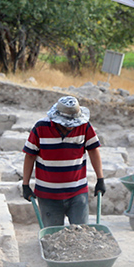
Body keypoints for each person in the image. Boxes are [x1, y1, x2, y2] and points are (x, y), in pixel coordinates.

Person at [21, 96, 105, 227]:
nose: (71, 127)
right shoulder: (40, 128)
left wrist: (101, 179)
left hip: (77, 193)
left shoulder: (84, 126)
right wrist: (25, 185)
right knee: (53, 236)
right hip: (48, 195)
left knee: (81, 235)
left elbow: (93, 150)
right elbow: (30, 156)